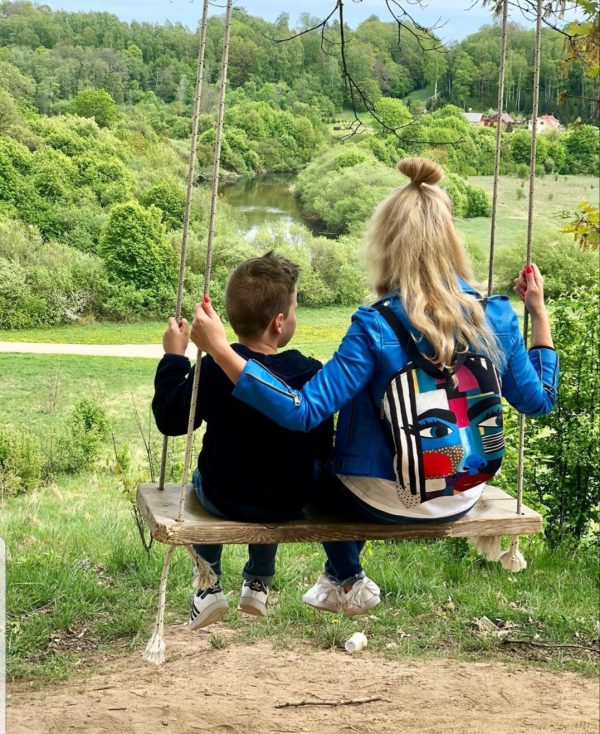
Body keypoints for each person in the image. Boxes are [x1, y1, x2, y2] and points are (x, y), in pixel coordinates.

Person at [188, 157, 559, 618]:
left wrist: (221, 350)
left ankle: (345, 577)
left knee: (315, 469)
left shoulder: (374, 325)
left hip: (377, 500)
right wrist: (538, 313)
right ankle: (336, 579)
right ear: (451, 239)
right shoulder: (497, 314)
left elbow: (301, 411)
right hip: (460, 493)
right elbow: (539, 401)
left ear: (387, 245)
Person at [152, 251, 333, 629]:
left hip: (223, 497)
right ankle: (258, 582)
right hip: (287, 502)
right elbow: (321, 448)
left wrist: (174, 357)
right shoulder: (308, 373)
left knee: (203, 477)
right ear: (279, 322)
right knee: (275, 479)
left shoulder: (215, 367)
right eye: (295, 309)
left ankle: (209, 584)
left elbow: (170, 420)